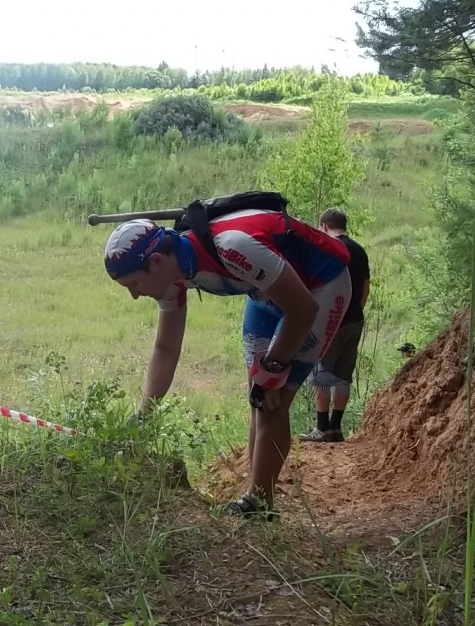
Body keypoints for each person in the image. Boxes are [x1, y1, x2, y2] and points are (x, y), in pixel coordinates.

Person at [103, 204, 351, 520]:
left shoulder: (232, 246)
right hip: (265, 295)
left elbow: (303, 309)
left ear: (154, 262)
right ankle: (254, 493)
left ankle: (258, 506)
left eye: (132, 285)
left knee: (272, 400)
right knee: (258, 398)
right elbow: (166, 349)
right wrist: (144, 414)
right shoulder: (169, 274)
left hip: (320, 288)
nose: (135, 296)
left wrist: (273, 367)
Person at [301, 208, 370, 444]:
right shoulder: (359, 250)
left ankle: (321, 428)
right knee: (343, 375)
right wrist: (355, 310)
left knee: (320, 373)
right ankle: (336, 429)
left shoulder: (328, 249)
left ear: (323, 225)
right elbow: (365, 287)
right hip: (355, 320)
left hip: (331, 321)